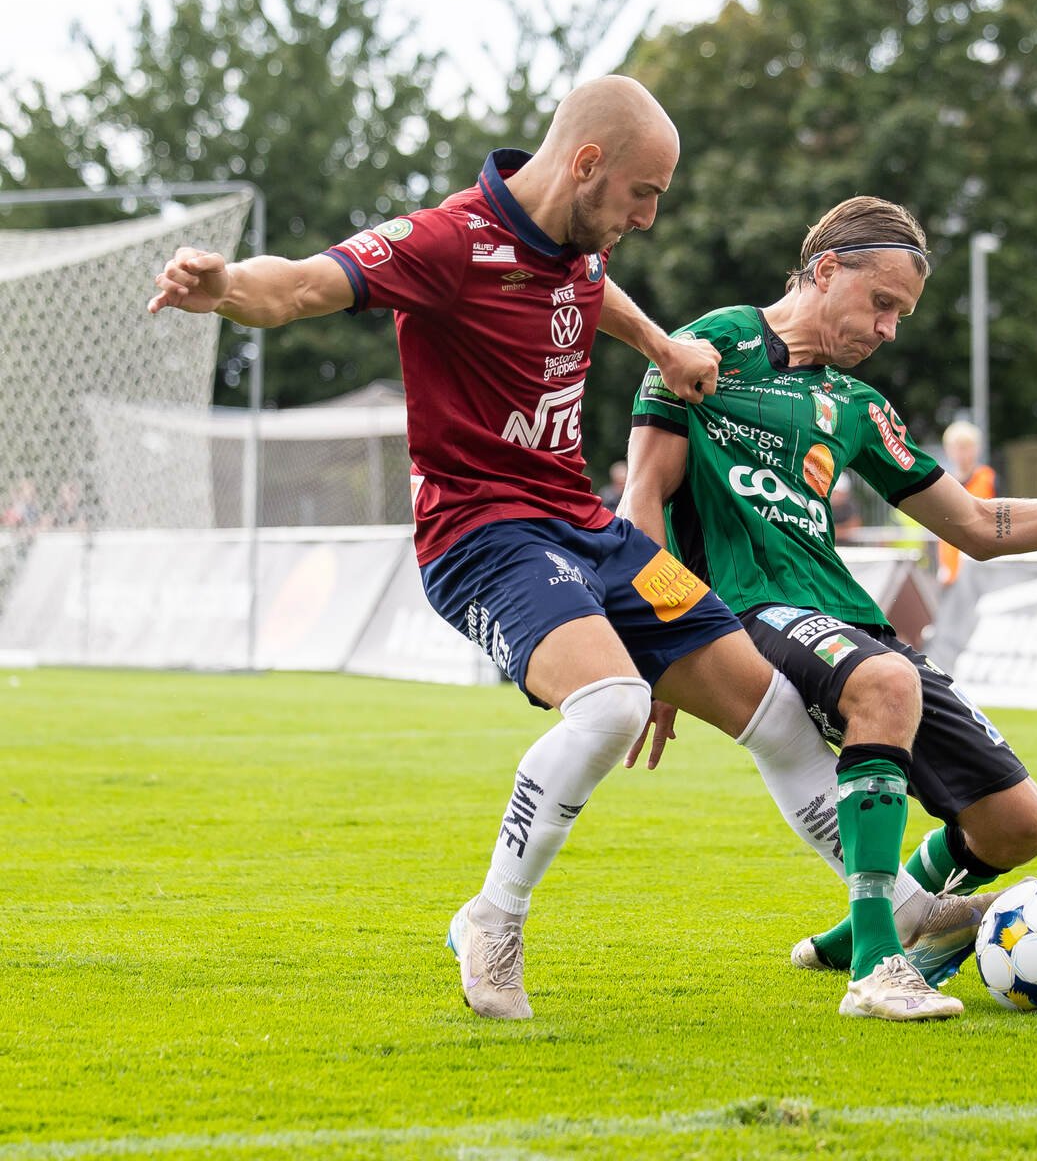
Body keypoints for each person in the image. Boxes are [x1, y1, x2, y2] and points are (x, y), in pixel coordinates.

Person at [148, 77, 970, 1024]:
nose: (649, 218)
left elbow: (595, 292)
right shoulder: (446, 242)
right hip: (483, 536)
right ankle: (492, 917)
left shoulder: (577, 249)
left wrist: (661, 346)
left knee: (773, 707)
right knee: (615, 701)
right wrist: (224, 290)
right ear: (587, 166)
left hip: (588, 531)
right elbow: (297, 285)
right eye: (642, 193)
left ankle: (902, 916)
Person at [621, 196, 1037, 987]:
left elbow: (979, 525)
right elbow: (642, 496)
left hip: (843, 618)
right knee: (886, 682)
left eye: (900, 315)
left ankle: (853, 932)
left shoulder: (860, 409)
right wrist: (661, 641)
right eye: (882, 304)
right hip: (742, 611)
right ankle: (880, 964)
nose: (889, 330)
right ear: (826, 270)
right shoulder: (710, 346)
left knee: (1019, 825)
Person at [935, 420, 995, 585]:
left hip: (982, 563)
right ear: (948, 450)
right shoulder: (944, 483)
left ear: (977, 449)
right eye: (956, 447)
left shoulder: (988, 478)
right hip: (952, 567)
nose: (962, 453)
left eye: (966, 447)